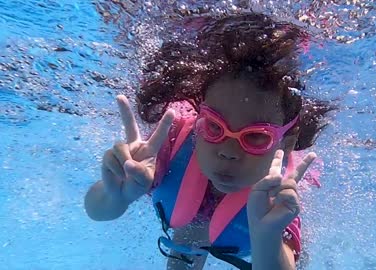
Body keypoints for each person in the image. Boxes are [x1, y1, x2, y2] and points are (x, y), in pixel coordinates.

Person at [84, 13, 333, 270]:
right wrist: (116, 195)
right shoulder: (171, 143)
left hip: (259, 236)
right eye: (214, 126)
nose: (228, 151)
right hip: (190, 219)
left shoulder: (280, 191)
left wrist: (267, 237)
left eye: (256, 136)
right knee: (188, 232)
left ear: (285, 144)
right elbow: (96, 210)